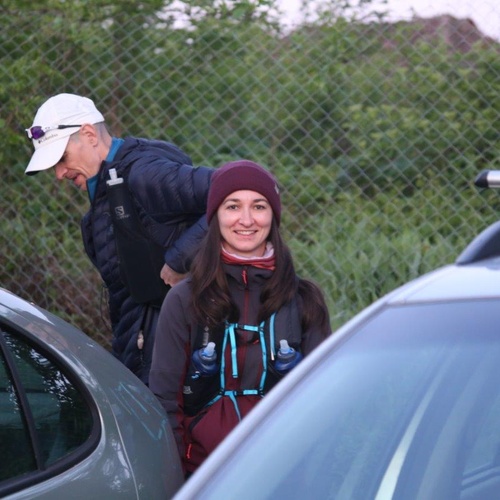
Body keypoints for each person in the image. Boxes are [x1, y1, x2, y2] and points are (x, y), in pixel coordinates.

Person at [149, 159, 331, 476]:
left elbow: (324, 401)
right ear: (215, 216)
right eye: (233, 206)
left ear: (273, 216)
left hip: (283, 470)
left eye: (259, 206)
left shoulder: (305, 300)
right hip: (203, 471)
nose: (246, 220)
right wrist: (179, 477)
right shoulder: (183, 300)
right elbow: (164, 400)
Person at [24, 93, 213, 385]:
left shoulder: (143, 173)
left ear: (89, 135)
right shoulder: (106, 190)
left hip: (173, 360)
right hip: (140, 355)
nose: (59, 174)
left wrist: (180, 259)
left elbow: (236, 193)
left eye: (62, 158)